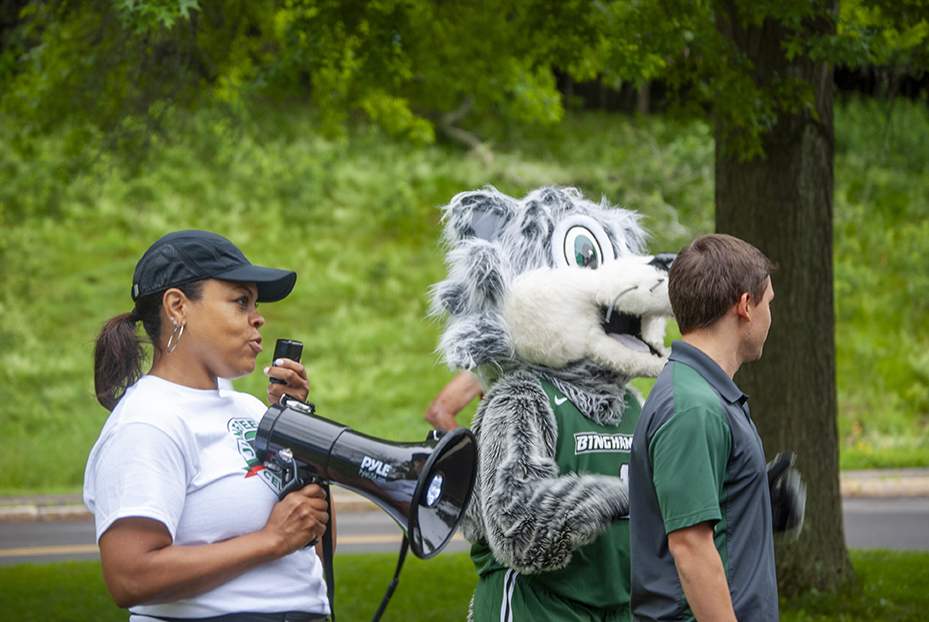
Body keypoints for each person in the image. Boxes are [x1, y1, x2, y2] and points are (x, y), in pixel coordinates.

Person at [84, 230, 331, 622]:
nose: (258, 317)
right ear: (178, 307)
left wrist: (298, 432)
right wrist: (270, 540)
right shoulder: (147, 421)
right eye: (240, 301)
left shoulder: (252, 410)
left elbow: (310, 549)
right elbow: (129, 577)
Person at [628, 233, 778, 622]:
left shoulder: (702, 392)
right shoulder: (693, 406)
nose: (770, 316)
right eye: (769, 302)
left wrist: (758, 503)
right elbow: (690, 548)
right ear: (746, 305)